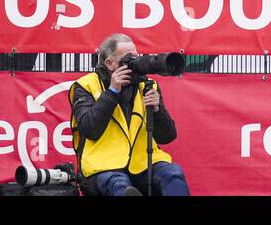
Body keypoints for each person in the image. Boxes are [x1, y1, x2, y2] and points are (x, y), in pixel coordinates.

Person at [68, 34, 189, 197]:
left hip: (142, 164)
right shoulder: (85, 85)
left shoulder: (148, 85)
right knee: (119, 184)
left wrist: (157, 111)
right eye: (127, 59)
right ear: (109, 63)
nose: (133, 63)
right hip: (102, 167)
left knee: (173, 174)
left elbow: (167, 137)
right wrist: (112, 92)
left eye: (135, 57)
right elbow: (90, 129)